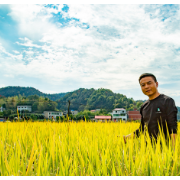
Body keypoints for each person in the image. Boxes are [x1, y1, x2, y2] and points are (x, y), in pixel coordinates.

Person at [123, 73, 178, 149]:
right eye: (143, 85)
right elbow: (142, 128)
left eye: (149, 83)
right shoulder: (144, 106)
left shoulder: (167, 101)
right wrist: (127, 137)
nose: (146, 87)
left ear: (156, 84)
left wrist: (173, 150)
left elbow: (173, 127)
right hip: (148, 150)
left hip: (165, 149)